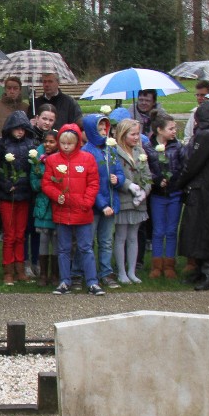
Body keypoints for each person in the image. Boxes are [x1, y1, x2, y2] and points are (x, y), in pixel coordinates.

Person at [173, 100, 209, 291]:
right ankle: (201, 269)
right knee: (204, 229)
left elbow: (194, 164)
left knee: (202, 230)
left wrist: (179, 183)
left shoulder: (206, 135)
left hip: (202, 189)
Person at [42, 124, 102, 295]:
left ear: (77, 143)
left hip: (82, 211)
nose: (66, 147)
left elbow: (93, 183)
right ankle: (64, 281)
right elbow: (47, 183)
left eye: (70, 144)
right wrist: (57, 195)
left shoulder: (87, 159)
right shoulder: (52, 160)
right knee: (63, 249)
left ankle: (92, 282)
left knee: (86, 247)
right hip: (62, 211)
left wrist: (86, 202)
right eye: (63, 143)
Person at [0, 110, 37, 286]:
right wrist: (7, 184)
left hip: (24, 195)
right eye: (17, 128)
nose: (20, 132)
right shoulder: (0, 145)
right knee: (9, 234)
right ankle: (8, 271)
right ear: (10, 128)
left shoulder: (31, 145)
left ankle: (20, 269)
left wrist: (26, 184)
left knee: (20, 234)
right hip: (7, 195)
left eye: (23, 128)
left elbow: (34, 169)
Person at [81, 113, 122, 289]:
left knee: (106, 241)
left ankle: (106, 272)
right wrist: (102, 204)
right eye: (99, 129)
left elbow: (119, 170)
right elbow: (89, 183)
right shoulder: (86, 152)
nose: (104, 132)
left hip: (110, 203)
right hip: (94, 206)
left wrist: (118, 179)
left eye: (105, 129)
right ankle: (84, 272)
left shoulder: (110, 149)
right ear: (91, 130)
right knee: (88, 241)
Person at [146, 112, 185, 279]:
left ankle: (169, 264)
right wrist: (156, 180)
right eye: (171, 128)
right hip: (157, 196)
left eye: (175, 128)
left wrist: (176, 181)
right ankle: (156, 265)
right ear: (159, 130)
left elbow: (184, 167)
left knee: (171, 230)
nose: (174, 131)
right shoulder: (148, 148)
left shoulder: (178, 147)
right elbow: (146, 170)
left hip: (175, 193)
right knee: (158, 230)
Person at [112, 118, 151, 284]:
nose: (136, 137)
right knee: (121, 236)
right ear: (123, 134)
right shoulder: (115, 151)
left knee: (133, 236)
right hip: (124, 199)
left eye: (138, 134)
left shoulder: (140, 151)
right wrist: (130, 187)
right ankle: (121, 271)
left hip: (139, 201)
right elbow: (115, 176)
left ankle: (132, 271)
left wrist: (144, 191)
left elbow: (147, 175)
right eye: (132, 134)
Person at [29, 129, 60, 286]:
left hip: (56, 204)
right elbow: (34, 181)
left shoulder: (61, 158)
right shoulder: (37, 158)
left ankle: (55, 273)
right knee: (43, 239)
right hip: (43, 203)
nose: (48, 144)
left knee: (56, 239)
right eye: (46, 141)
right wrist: (45, 184)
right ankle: (42, 273)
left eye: (52, 142)